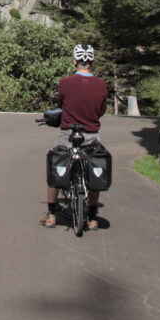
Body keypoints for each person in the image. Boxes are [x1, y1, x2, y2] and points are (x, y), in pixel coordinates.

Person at [39, 43, 108, 230]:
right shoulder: (101, 85)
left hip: (68, 133)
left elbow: (60, 104)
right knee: (94, 169)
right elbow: (101, 110)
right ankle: (92, 217)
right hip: (92, 133)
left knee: (55, 166)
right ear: (91, 61)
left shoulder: (65, 83)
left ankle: (52, 214)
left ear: (75, 61)